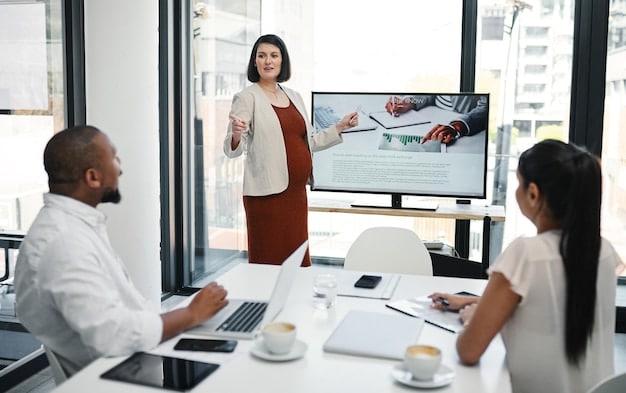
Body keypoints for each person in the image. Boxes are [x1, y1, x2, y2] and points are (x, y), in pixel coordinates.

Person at [14, 125, 229, 376]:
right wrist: (190, 314)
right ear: (93, 177)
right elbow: (112, 335)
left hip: (136, 362)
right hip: (119, 376)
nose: (120, 166)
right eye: (114, 157)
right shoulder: (63, 242)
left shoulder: (74, 226)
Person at [429, 139, 625, 393]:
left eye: (519, 183)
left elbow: (468, 351)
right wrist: (471, 302)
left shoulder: (526, 254)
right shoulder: (604, 251)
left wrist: (472, 319)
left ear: (533, 194)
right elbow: (553, 305)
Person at [223, 34, 357, 267]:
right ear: (254, 62)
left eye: (274, 56)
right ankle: (263, 304)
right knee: (269, 262)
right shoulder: (246, 98)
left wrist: (340, 127)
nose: (268, 61)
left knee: (297, 260)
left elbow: (311, 141)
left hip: (295, 194)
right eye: (262, 55)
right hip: (266, 197)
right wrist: (236, 133)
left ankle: (295, 303)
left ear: (282, 61)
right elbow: (233, 149)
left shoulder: (293, 96)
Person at [385, 94, 487, 145]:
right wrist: (410, 101)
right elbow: (430, 92)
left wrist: (458, 126)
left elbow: (485, 107)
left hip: (469, 129)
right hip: (431, 114)